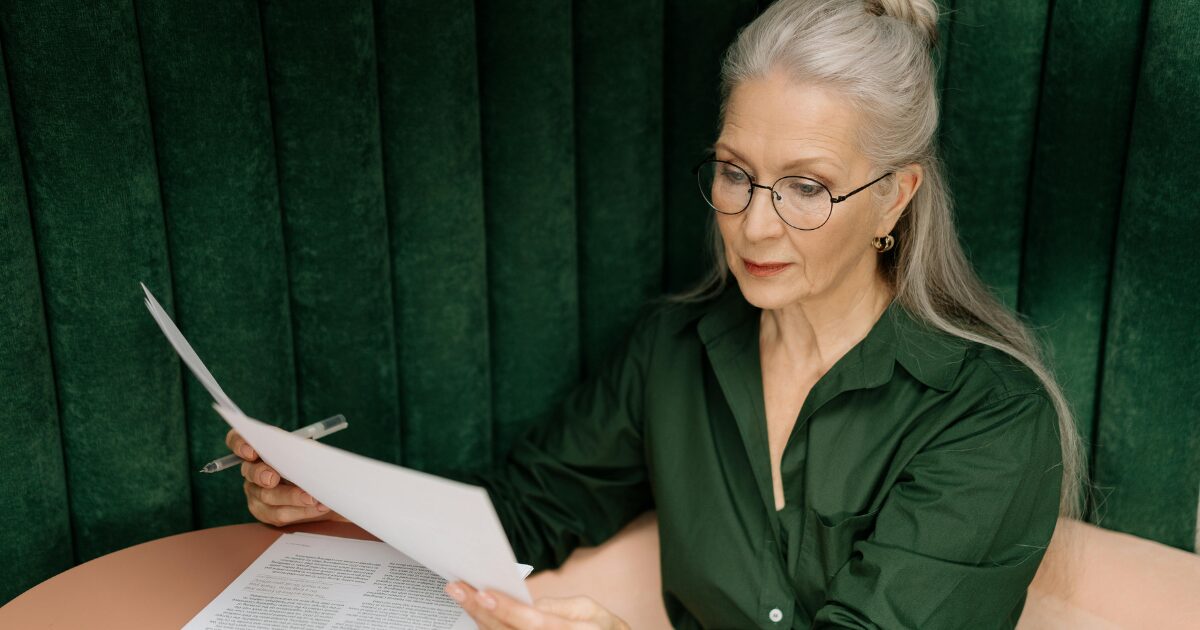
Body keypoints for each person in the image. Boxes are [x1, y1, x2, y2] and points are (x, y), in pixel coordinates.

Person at [227, 0, 1089, 627]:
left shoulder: (991, 418)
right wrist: (337, 499)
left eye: (807, 187)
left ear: (896, 198)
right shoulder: (673, 349)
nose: (752, 224)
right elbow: (525, 511)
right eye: (735, 171)